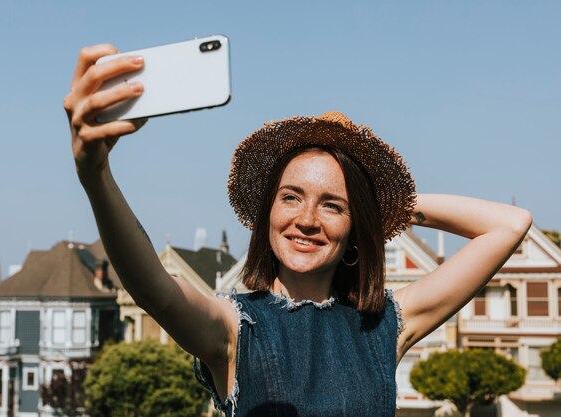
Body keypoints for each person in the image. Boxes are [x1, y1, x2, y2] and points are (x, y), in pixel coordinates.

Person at [64, 44, 533, 417]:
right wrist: (96, 177)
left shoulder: (387, 323)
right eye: (291, 197)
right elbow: (154, 290)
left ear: (354, 230)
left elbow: (509, 226)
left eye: (332, 205)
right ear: (268, 212)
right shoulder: (233, 327)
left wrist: (382, 205)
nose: (306, 219)